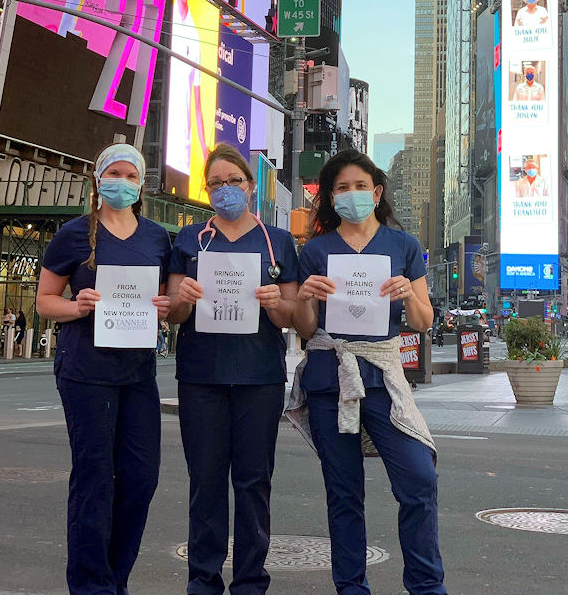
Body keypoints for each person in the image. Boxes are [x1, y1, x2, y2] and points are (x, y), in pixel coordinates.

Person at [287, 149, 446, 595]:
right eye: (341, 188)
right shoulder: (316, 250)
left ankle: (426, 585)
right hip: (329, 378)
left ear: (377, 192)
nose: (352, 194)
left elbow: (422, 321)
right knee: (343, 495)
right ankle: (351, 588)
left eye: (360, 186)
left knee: (419, 480)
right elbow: (307, 328)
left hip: (382, 378)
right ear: (330, 198)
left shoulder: (404, 246)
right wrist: (304, 298)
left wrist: (407, 295)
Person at [35, 143, 171, 595]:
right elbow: (44, 301)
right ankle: (92, 586)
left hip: (137, 374)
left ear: (141, 184)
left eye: (131, 176)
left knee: (140, 478)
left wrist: (166, 307)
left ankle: (116, 578)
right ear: (98, 179)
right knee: (95, 479)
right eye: (113, 172)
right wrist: (77, 306)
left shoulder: (156, 238)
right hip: (85, 372)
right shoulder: (74, 234)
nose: (122, 182)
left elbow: (167, 299)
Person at [166, 143, 299, 595]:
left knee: (253, 482)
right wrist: (180, 299)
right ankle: (203, 580)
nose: (226, 189)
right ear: (207, 190)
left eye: (234, 181)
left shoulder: (277, 242)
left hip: (259, 377)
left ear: (251, 185)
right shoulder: (189, 239)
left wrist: (277, 301)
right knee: (205, 481)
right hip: (201, 376)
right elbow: (174, 316)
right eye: (216, 183)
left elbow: (292, 318)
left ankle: (249, 582)